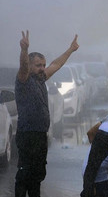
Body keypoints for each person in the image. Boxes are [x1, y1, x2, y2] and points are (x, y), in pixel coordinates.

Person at [14, 30, 79, 197]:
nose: (43, 68)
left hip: (40, 134)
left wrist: (70, 50)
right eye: (38, 65)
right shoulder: (24, 80)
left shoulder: (41, 79)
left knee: (37, 175)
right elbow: (23, 65)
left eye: (43, 65)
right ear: (30, 65)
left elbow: (56, 64)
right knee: (25, 174)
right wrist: (24, 50)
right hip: (27, 135)